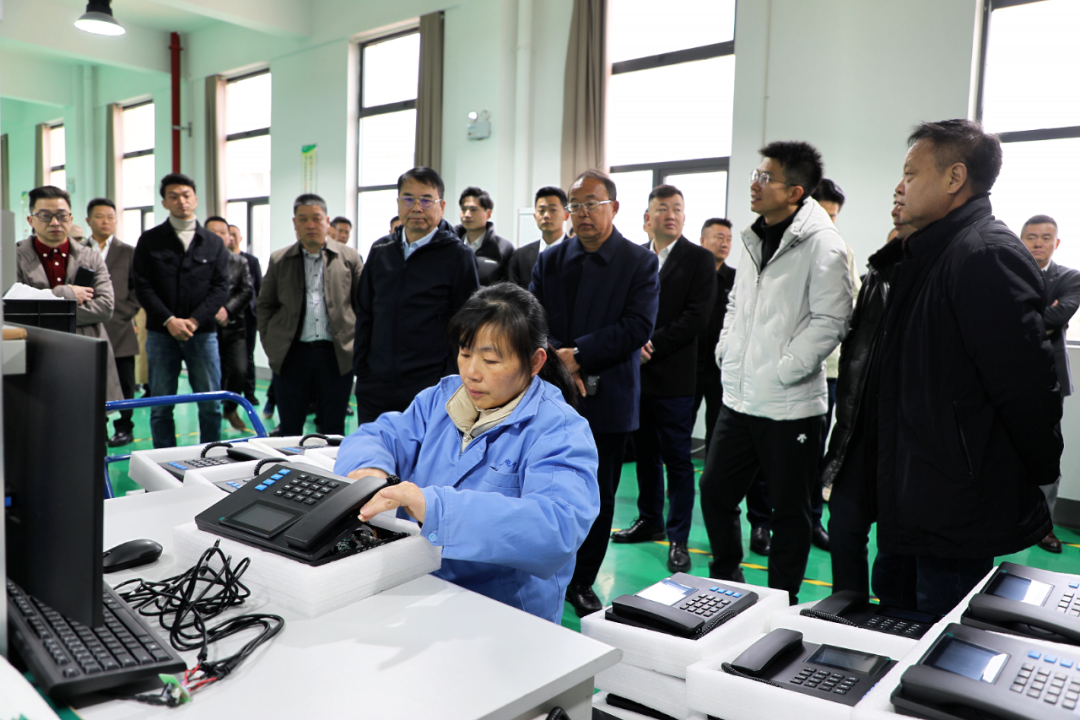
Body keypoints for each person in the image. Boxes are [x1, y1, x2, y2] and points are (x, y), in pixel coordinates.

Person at [872, 119, 1061, 615]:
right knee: (896, 624)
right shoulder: (930, 253)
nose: (900, 186)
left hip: (955, 504)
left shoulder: (984, 255)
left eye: (910, 173)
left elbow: (1025, 386)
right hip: (917, 492)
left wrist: (1038, 473)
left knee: (940, 635)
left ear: (955, 177)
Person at [334, 283, 600, 624]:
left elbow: (556, 529)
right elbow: (380, 434)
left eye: (491, 360)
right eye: (464, 353)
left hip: (503, 616)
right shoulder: (441, 399)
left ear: (535, 362)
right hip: (419, 589)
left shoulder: (558, 429)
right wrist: (369, 470)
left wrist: (436, 509)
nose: (472, 372)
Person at [698, 141, 852, 605]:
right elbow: (736, 303)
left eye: (765, 177)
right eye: (756, 174)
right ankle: (726, 580)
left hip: (790, 407)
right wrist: (727, 350)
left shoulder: (823, 244)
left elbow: (833, 320)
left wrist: (785, 369)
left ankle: (781, 601)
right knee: (715, 492)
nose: (754, 183)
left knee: (790, 512)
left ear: (794, 192)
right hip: (740, 400)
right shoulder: (754, 237)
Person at [530, 169, 659, 617]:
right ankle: (546, 567)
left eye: (592, 204)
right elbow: (532, 317)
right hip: (551, 392)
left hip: (608, 396)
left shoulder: (639, 262)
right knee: (545, 482)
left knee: (598, 495)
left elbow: (637, 326)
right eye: (576, 205)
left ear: (614, 208)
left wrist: (578, 356)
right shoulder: (551, 260)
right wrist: (557, 359)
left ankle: (582, 579)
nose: (582, 213)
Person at [611, 185, 715, 574]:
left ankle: (678, 537)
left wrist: (650, 343)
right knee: (645, 457)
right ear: (647, 218)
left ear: (684, 217)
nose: (670, 215)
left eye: (677, 209)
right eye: (662, 208)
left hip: (674, 377)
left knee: (677, 459)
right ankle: (649, 519)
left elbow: (696, 317)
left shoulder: (699, 259)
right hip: (636, 376)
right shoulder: (637, 257)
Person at [823, 203, 914, 595]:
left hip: (906, 439)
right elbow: (854, 345)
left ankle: (890, 618)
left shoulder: (939, 277)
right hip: (859, 428)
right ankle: (847, 609)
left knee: (896, 548)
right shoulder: (875, 275)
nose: (898, 202)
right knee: (844, 527)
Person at [353, 167, 480, 423]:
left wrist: (450, 379)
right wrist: (362, 370)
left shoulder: (458, 256)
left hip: (430, 387)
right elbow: (364, 313)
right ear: (398, 203)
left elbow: (467, 326)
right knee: (374, 447)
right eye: (408, 199)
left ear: (442, 206)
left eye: (426, 200)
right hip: (376, 385)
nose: (417, 208)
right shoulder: (380, 250)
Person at [133, 173, 231, 448]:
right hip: (161, 334)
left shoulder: (213, 242)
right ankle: (162, 460)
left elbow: (221, 287)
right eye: (173, 196)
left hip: (203, 334)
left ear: (195, 199)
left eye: (186, 195)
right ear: (164, 203)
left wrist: (195, 321)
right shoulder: (150, 241)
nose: (181, 201)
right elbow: (142, 286)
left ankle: (212, 457)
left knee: (210, 403)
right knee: (161, 405)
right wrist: (169, 320)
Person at [258, 194, 363, 436]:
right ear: (295, 223)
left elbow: (363, 306)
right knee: (290, 428)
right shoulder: (280, 260)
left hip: (336, 355)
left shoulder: (349, 258)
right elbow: (264, 305)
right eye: (303, 219)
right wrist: (271, 344)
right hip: (292, 355)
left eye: (316, 218)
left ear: (327, 221)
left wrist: (356, 345)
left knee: (333, 428)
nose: (311, 225)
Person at [18, 186, 122, 403]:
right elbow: (16, 310)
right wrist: (64, 293)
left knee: (90, 417)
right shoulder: (14, 258)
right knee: (39, 416)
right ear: (31, 220)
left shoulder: (91, 257)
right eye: (45, 216)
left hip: (85, 350)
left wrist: (45, 307)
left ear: (71, 218)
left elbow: (105, 308)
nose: (55, 222)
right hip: (36, 352)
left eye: (62, 215)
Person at [1019, 214, 1080, 554]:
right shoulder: (1008, 273)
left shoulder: (1070, 277)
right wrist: (1043, 318)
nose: (1038, 243)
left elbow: (1059, 315)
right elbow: (1001, 317)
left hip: (1050, 379)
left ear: (1056, 243)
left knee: (1046, 451)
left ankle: (1043, 527)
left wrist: (1026, 319)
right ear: (1021, 240)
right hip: (1008, 375)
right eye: (1031, 237)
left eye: (1045, 238)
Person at [86, 197, 140, 446]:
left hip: (120, 327)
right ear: (88, 220)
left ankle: (124, 428)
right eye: (99, 217)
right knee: (93, 381)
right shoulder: (80, 250)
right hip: (89, 326)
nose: (105, 221)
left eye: (110, 217)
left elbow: (137, 288)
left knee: (125, 381)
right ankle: (98, 427)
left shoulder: (128, 252)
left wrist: (127, 311)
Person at [206, 216, 254, 431]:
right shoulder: (197, 262)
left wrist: (228, 310)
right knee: (210, 376)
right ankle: (212, 417)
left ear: (229, 237)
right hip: (205, 328)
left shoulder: (239, 262)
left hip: (234, 326)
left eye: (223, 232)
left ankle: (230, 408)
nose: (219, 237)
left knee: (239, 370)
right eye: (213, 233)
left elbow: (247, 290)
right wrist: (211, 310)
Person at [693, 218, 735, 458]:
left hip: (722, 368)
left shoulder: (736, 279)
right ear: (702, 240)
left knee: (718, 427)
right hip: (691, 366)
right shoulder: (692, 276)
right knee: (683, 424)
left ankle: (712, 473)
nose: (725, 243)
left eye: (728, 239)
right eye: (719, 237)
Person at [508, 187, 569, 289]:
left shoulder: (577, 252)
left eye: (553, 210)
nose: (546, 215)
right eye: (541, 210)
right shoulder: (520, 256)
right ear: (535, 216)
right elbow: (513, 292)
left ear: (566, 215)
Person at [229, 223, 263, 407]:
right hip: (226, 317)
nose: (231, 238)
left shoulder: (251, 261)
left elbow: (258, 289)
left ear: (240, 238)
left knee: (248, 356)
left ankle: (249, 394)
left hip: (248, 317)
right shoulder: (220, 261)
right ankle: (228, 394)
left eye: (235, 234)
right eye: (228, 234)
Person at [455, 186, 515, 285]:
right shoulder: (452, 245)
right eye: (463, 209)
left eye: (473, 209)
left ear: (488, 213)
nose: (467, 214)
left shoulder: (503, 248)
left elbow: (509, 286)